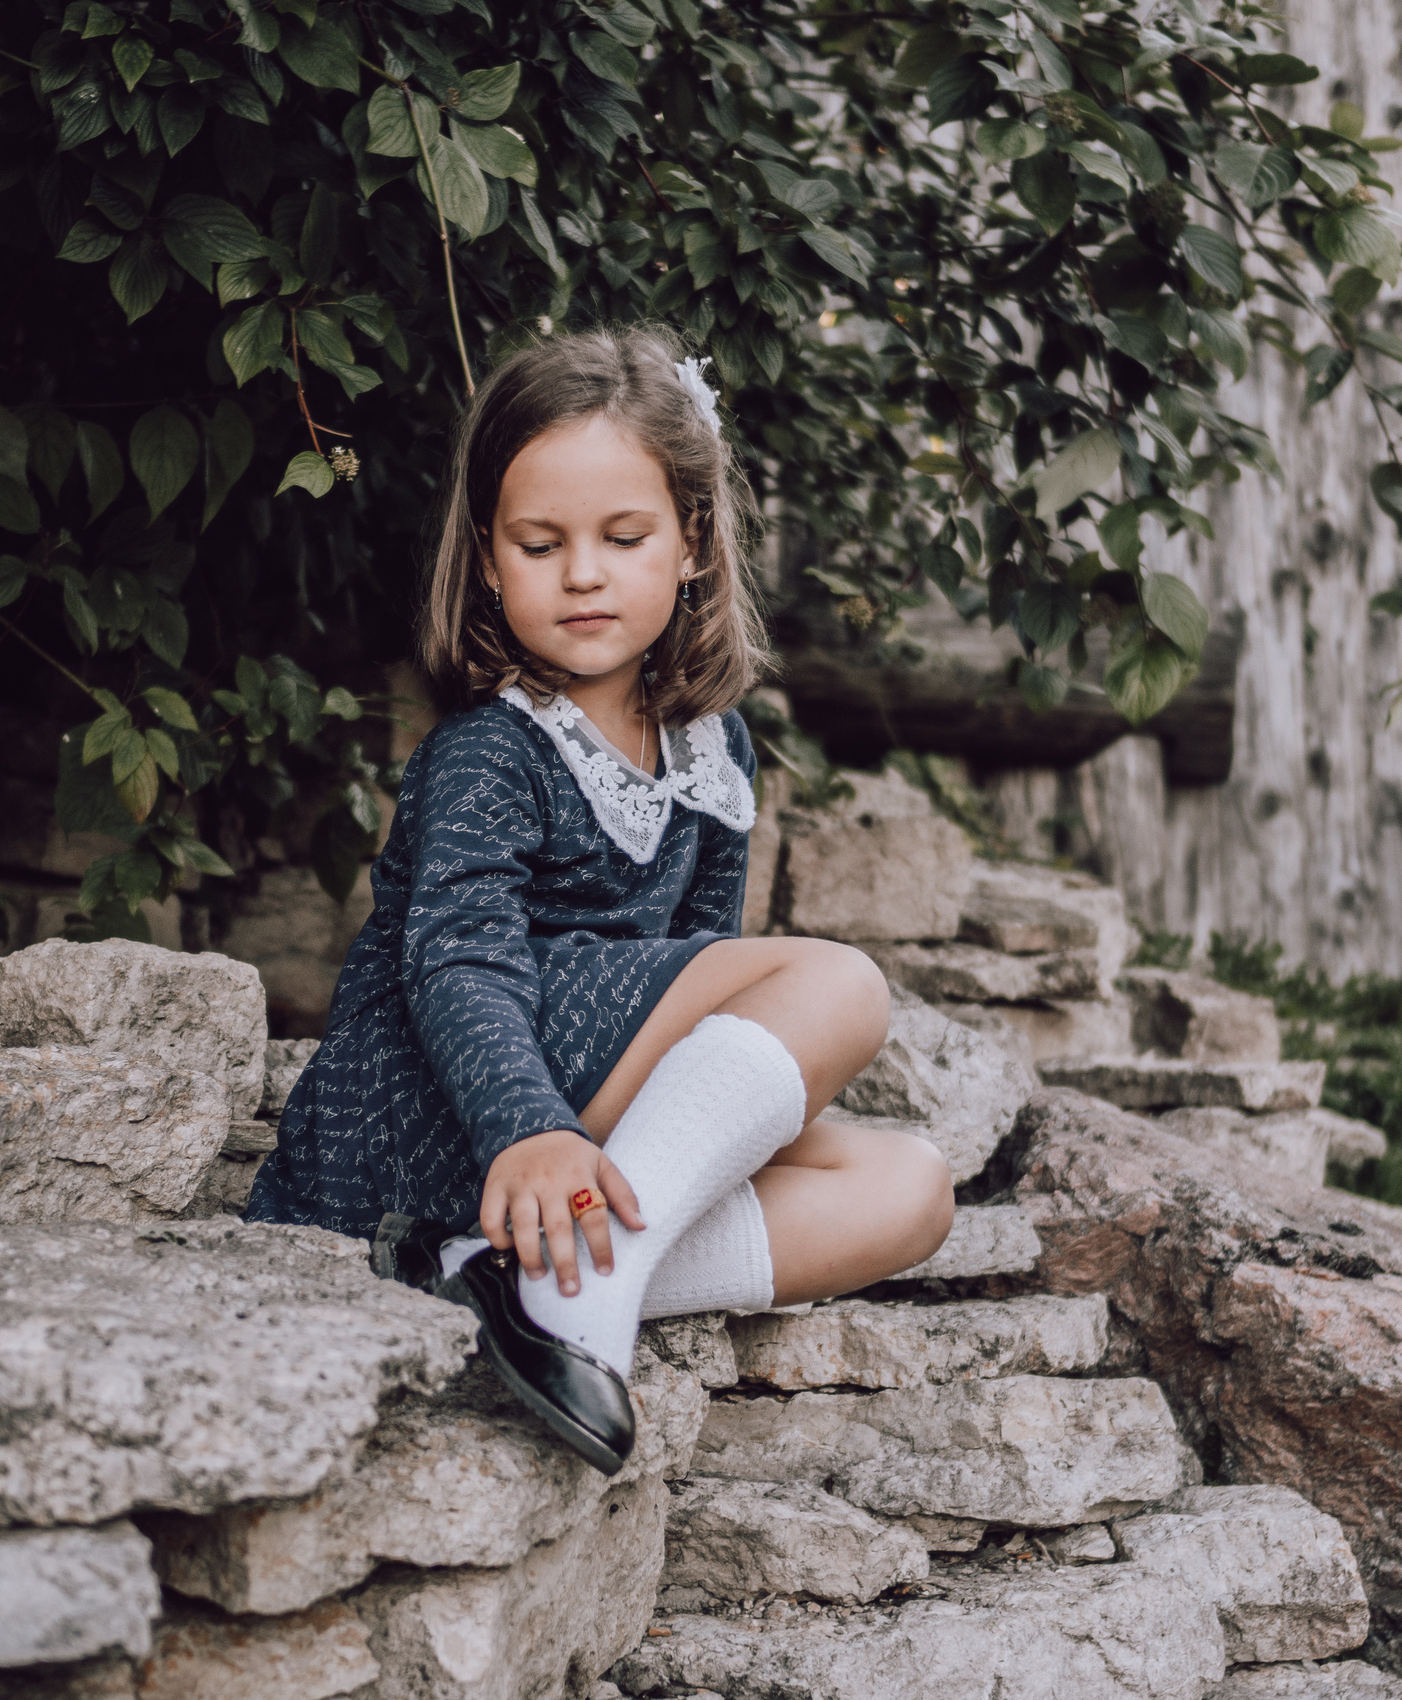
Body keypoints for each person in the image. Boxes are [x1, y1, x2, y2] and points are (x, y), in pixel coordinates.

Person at [248, 327, 956, 1471]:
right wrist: (524, 1130)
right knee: (838, 983)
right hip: (433, 1112)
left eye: (623, 537)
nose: (583, 572)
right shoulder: (492, 752)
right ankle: (562, 1291)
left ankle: (512, 1276)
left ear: (690, 542)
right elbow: (459, 965)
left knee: (907, 1189)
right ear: (486, 558)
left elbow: (703, 975)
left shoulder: (715, 747)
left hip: (579, 1117)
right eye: (541, 544)